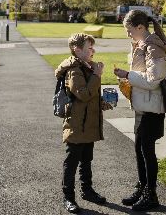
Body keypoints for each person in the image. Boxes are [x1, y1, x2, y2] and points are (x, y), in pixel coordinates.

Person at [113, 9, 166, 211]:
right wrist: (126, 78)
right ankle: (142, 188)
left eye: (130, 30)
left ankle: (151, 194)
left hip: (152, 108)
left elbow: (153, 79)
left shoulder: (153, 47)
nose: (128, 34)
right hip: (143, 106)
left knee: (147, 151)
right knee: (139, 150)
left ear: (140, 27)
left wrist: (127, 75)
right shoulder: (142, 44)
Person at [55, 33, 113, 213]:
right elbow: (84, 94)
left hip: (88, 124)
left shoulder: (86, 66)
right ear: (77, 50)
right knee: (71, 162)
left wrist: (102, 103)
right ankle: (68, 197)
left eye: (93, 47)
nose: (93, 50)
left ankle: (87, 190)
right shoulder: (74, 70)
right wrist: (97, 75)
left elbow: (91, 97)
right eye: (89, 48)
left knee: (87, 160)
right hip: (76, 125)